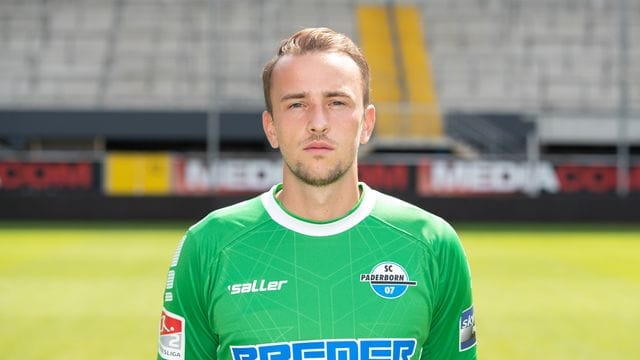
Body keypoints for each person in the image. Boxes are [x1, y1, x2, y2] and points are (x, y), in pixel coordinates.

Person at [158, 27, 476, 360]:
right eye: (297, 104)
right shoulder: (208, 245)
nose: (318, 122)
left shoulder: (432, 243)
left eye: (337, 102)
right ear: (271, 128)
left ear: (367, 123)